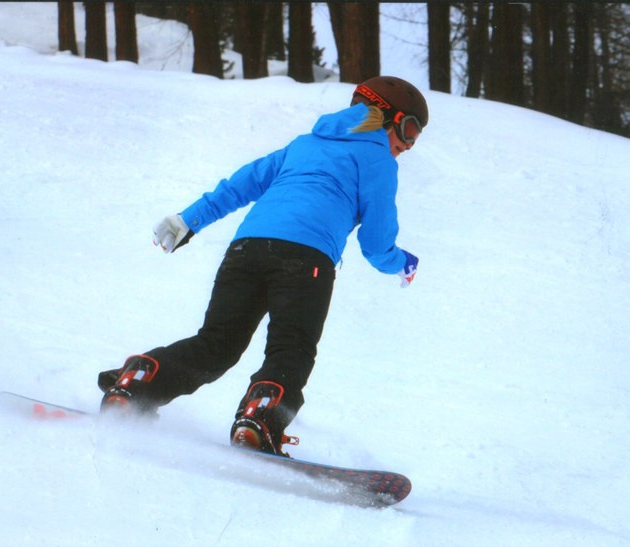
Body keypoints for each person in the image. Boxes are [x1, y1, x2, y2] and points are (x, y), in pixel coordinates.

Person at [97, 76, 428, 457]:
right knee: (291, 351)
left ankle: (138, 382)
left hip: (245, 251)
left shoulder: (305, 145)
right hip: (307, 262)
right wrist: (402, 263)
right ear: (388, 118)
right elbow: (375, 243)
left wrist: (186, 221)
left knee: (216, 344)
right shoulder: (379, 161)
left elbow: (240, 185)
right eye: (410, 130)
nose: (407, 145)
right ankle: (260, 422)